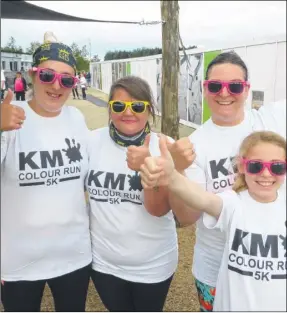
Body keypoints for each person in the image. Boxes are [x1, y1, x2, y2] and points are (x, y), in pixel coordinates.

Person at [168, 51, 286, 311]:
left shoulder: (271, 120)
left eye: (234, 86)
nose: (224, 93)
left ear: (246, 89)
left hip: (273, 262)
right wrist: (177, 169)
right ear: (205, 88)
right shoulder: (195, 145)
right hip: (215, 267)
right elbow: (187, 217)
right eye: (215, 85)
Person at [140, 130, 286, 311]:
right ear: (241, 166)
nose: (266, 174)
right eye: (255, 166)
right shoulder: (233, 203)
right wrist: (172, 176)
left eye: (277, 167)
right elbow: (203, 198)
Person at [86, 75, 194, 312]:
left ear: (149, 110)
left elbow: (160, 211)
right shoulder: (91, 142)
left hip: (153, 265)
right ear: (109, 109)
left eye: (137, 106)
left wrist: (149, 167)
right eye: (118, 106)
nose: (128, 113)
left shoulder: (165, 146)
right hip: (104, 264)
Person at [0, 32, 92, 312]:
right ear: (31, 75)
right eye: (47, 75)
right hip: (18, 262)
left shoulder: (76, 118)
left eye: (67, 79)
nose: (57, 85)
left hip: (73, 257)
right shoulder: (9, 115)